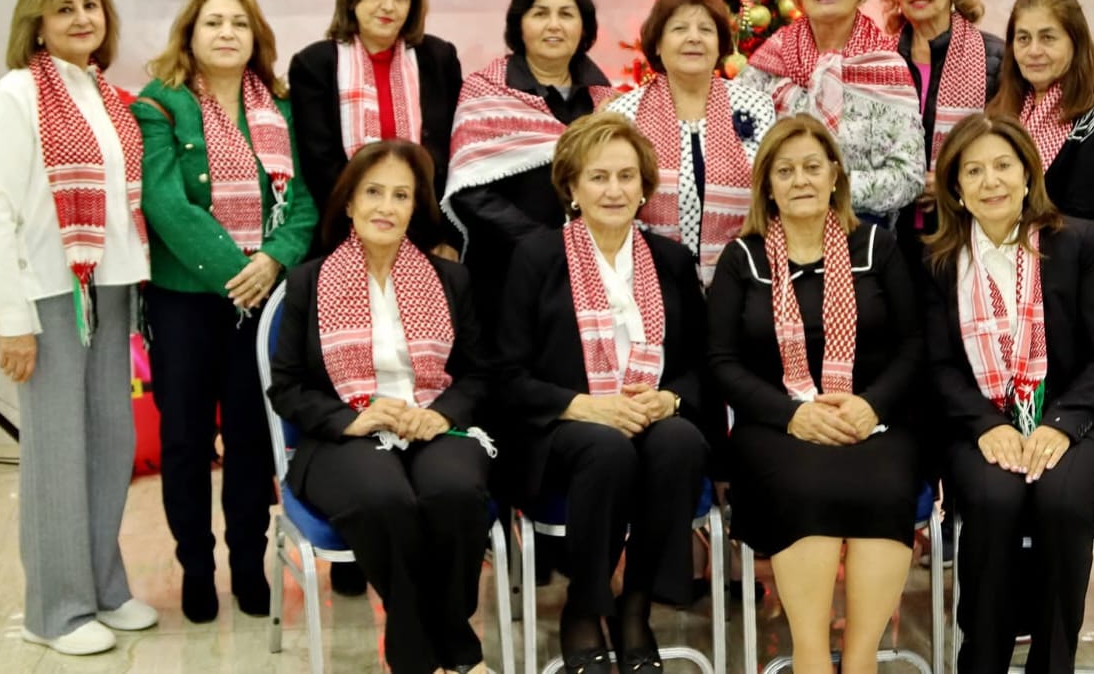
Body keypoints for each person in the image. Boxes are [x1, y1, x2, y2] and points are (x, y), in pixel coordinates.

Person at [0, 0, 157, 655]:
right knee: (56, 452)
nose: (82, 18)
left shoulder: (105, 94)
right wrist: (10, 320)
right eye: (65, 9)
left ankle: (103, 587)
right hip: (49, 294)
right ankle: (54, 611)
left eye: (91, 6)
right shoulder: (17, 93)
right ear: (37, 24)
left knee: (110, 444)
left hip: (109, 289)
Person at [922, 113, 1094, 674]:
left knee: (1061, 496)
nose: (991, 181)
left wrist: (1060, 425)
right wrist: (987, 425)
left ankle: (1052, 662)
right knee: (995, 498)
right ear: (956, 187)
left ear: (1027, 175)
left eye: (1003, 165)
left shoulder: (1078, 242)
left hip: (1084, 422)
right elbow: (938, 367)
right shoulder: (939, 260)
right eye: (974, 171)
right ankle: (982, 660)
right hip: (981, 424)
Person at [706, 114, 924, 674]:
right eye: (785, 170)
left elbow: (914, 346)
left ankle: (861, 661)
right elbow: (721, 362)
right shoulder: (742, 258)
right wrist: (792, 415)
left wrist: (872, 405)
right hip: (774, 427)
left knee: (885, 488)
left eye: (811, 167)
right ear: (767, 186)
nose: (800, 180)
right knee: (805, 488)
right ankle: (810, 659)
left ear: (834, 175)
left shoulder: (877, 246)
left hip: (873, 420)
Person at [269, 141, 493, 674]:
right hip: (343, 434)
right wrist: (351, 419)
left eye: (400, 195)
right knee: (383, 498)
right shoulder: (307, 281)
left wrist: (441, 414)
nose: (386, 207)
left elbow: (481, 374)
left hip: (432, 422)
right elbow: (287, 387)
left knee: (453, 491)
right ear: (349, 202)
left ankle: (426, 647)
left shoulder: (451, 279)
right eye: (373, 192)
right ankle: (447, 653)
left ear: (416, 207)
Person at [131, 0, 318, 622]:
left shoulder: (281, 106)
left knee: (251, 439)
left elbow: (304, 202)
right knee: (185, 440)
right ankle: (195, 568)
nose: (227, 33)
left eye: (239, 22)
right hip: (185, 302)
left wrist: (273, 260)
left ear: (255, 36)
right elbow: (164, 203)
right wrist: (239, 272)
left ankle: (247, 564)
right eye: (213, 22)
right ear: (190, 34)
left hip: (262, 303)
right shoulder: (161, 104)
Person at [496, 113, 709, 673]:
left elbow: (699, 367)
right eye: (598, 177)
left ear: (644, 186)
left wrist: (669, 400)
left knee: (680, 441)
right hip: (560, 431)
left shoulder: (671, 261)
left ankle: (634, 606)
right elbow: (506, 374)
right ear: (572, 187)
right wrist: (585, 407)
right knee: (606, 447)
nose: (614, 190)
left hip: (649, 419)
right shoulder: (536, 258)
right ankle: (585, 608)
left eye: (625, 176)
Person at [442, 0, 613, 338]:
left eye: (566, 14)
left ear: (584, 26)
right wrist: (544, 244)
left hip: (591, 273)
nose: (554, 25)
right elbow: (470, 191)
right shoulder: (485, 90)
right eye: (540, 13)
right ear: (519, 24)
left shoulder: (605, 99)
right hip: (505, 271)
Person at [736, 0, 924, 225]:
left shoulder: (886, 68)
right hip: (776, 229)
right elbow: (734, 151)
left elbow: (908, 176)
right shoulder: (769, 61)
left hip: (859, 232)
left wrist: (830, 187)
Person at [288, 0, 463, 256]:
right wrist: (373, 229)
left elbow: (455, 155)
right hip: (343, 235)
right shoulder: (314, 64)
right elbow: (319, 167)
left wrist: (445, 237)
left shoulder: (439, 59)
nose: (388, 6)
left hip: (428, 235)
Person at [605, 0, 775, 286]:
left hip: (744, 277)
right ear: (658, 44)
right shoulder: (625, 115)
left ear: (720, 44)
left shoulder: (756, 106)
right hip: (650, 279)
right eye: (679, 28)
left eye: (706, 30)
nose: (694, 38)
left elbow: (773, 194)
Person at [987, 0, 1094, 266]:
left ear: (1076, 43)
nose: (1033, 51)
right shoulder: (1002, 108)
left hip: (1068, 268)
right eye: (1023, 38)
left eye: (1048, 38)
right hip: (1001, 261)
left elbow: (1082, 216)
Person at [877, 0, 1004, 217]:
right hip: (892, 224)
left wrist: (951, 181)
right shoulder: (878, 59)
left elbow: (1006, 148)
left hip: (965, 220)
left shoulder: (995, 58)